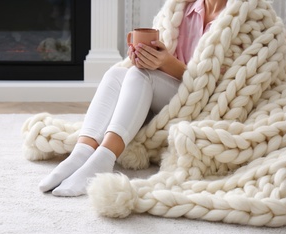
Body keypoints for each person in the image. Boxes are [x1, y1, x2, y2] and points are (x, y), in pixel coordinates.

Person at [38, 0, 228, 197]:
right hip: (170, 91)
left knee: (140, 75)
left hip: (204, 102)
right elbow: (161, 52)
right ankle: (82, 152)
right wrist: (143, 57)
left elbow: (223, 83)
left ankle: (105, 157)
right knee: (117, 74)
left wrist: (167, 63)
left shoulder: (239, 18)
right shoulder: (182, 8)